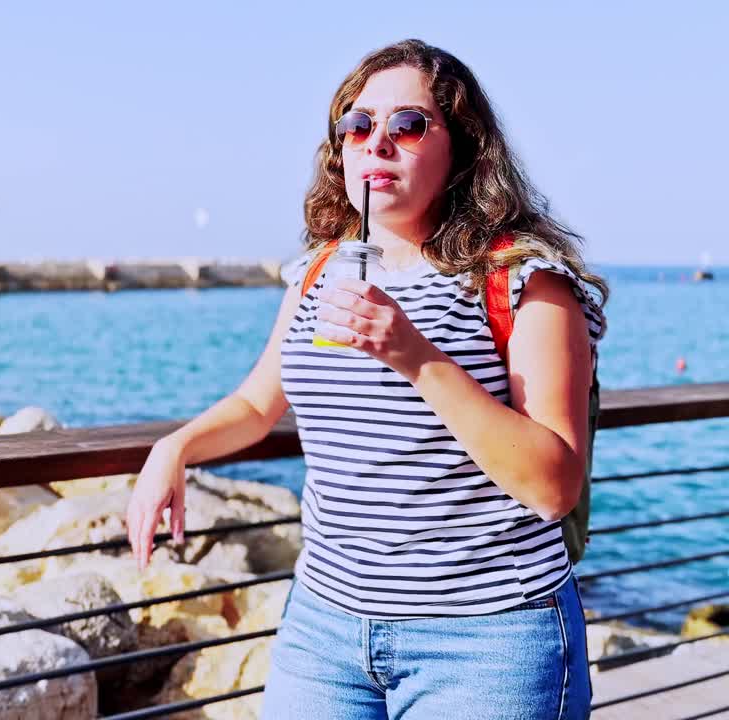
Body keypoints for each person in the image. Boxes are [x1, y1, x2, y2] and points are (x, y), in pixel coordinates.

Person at [126, 39, 607, 719]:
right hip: (325, 630)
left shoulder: (522, 279)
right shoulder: (320, 270)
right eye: (357, 125)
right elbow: (258, 404)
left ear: (463, 147)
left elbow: (553, 485)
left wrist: (414, 355)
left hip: (489, 637)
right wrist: (173, 448)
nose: (377, 141)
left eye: (408, 125)